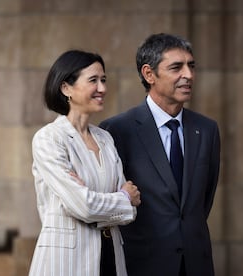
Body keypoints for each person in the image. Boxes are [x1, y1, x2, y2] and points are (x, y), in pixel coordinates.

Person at [100, 33, 220, 276]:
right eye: (177, 67)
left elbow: (202, 201)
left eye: (191, 66)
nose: (188, 75)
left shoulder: (207, 129)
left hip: (196, 264)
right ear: (149, 74)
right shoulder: (117, 130)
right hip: (141, 264)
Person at [28, 50, 141, 276]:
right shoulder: (49, 138)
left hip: (111, 257)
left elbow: (130, 212)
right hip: (66, 262)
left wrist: (103, 202)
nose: (102, 88)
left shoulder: (105, 138)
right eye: (93, 80)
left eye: (104, 80)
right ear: (66, 88)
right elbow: (84, 205)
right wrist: (123, 198)